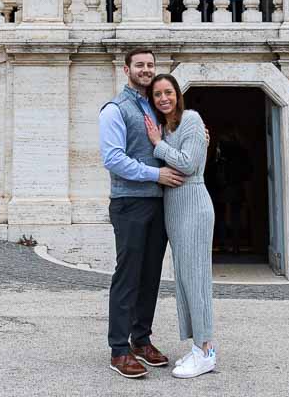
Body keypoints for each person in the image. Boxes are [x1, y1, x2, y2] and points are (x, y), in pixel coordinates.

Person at [99, 49, 185, 379]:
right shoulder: (114, 109)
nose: (146, 70)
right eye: (140, 65)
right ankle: (119, 350)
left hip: (157, 202)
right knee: (128, 275)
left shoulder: (155, 105)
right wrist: (155, 175)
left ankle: (141, 340)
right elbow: (113, 158)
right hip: (129, 202)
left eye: (150, 65)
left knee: (150, 275)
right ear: (127, 70)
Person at [145, 73, 217, 378]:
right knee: (186, 279)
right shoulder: (166, 126)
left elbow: (187, 164)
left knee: (197, 279)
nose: (163, 98)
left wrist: (158, 146)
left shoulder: (191, 119)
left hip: (194, 205)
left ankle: (206, 350)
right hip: (174, 209)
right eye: (158, 94)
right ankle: (198, 346)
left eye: (168, 92)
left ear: (178, 94)